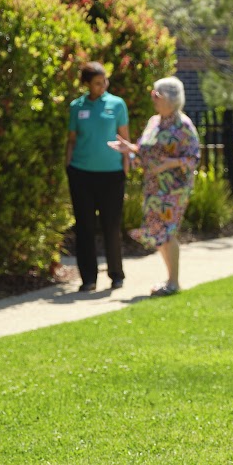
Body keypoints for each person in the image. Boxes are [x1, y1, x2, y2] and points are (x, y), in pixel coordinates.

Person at [112, 76, 201, 295]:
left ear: (171, 99)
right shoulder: (154, 121)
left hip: (174, 189)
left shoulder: (183, 125)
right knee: (158, 232)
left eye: (157, 96)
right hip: (154, 187)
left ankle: (173, 282)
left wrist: (170, 163)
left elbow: (193, 158)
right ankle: (170, 279)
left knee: (167, 232)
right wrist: (130, 148)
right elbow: (146, 149)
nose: (154, 99)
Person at [64, 61, 130, 293]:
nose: (102, 86)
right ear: (87, 84)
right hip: (81, 174)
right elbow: (71, 140)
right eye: (97, 83)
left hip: (112, 175)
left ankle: (116, 275)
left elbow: (124, 139)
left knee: (111, 225)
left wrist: (125, 168)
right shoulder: (77, 107)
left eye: (105, 82)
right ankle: (88, 278)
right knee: (84, 227)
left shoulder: (117, 104)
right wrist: (68, 166)